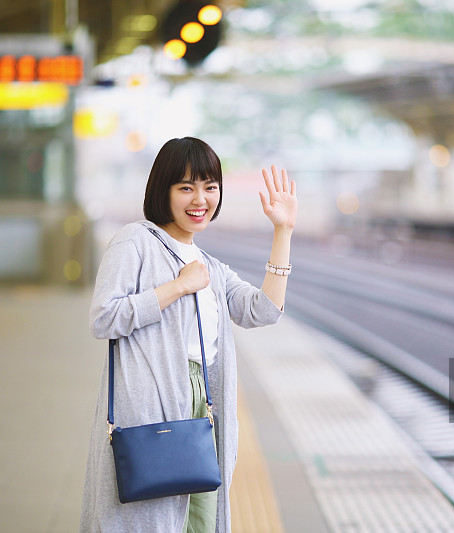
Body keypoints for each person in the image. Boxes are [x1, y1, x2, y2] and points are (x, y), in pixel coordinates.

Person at [79, 137, 297, 533]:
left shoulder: (211, 266)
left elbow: (262, 310)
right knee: (147, 517)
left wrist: (283, 231)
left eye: (210, 187)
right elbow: (103, 318)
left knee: (199, 520)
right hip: (151, 406)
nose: (200, 199)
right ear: (163, 191)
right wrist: (176, 288)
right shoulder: (135, 242)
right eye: (186, 187)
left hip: (204, 407)